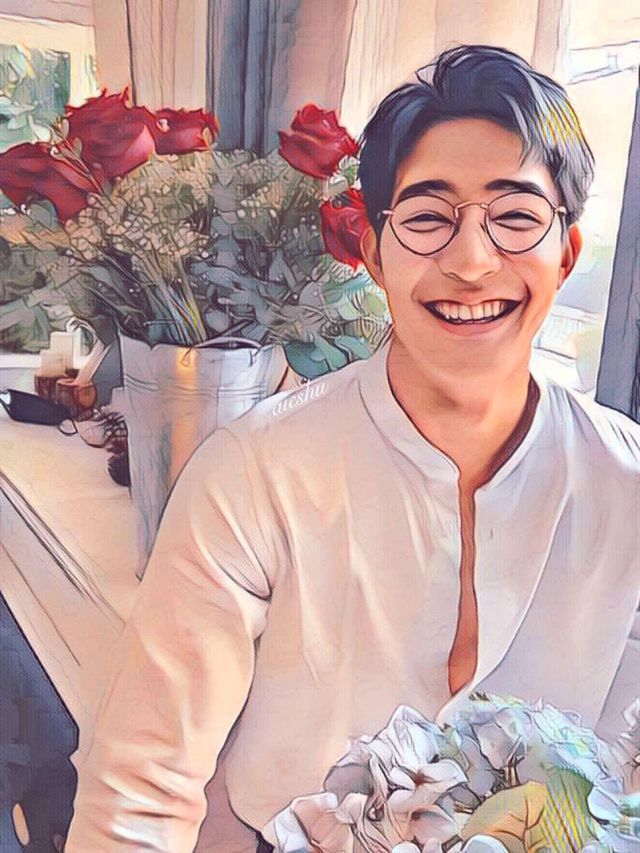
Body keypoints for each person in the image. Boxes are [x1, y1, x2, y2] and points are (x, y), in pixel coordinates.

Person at [64, 45, 640, 852]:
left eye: (515, 217)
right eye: (429, 217)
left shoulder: (626, 484)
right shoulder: (256, 472)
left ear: (567, 254)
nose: (472, 263)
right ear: (373, 253)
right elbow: (139, 790)